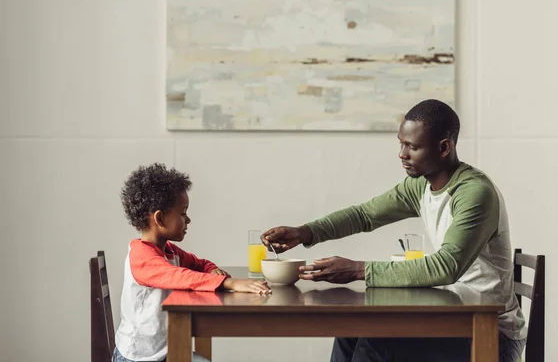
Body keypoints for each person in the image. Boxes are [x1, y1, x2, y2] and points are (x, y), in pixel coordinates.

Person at [261, 99, 527, 362]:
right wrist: (304, 232)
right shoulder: (421, 186)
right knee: (351, 330)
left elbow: (447, 266)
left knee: (376, 346)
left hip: (490, 334)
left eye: (412, 146)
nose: (402, 154)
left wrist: (357, 270)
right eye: (401, 143)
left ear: (444, 147)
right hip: (454, 318)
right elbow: (364, 215)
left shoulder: (474, 193)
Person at [113, 163, 271, 362]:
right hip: (138, 357)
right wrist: (230, 283)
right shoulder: (141, 256)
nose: (188, 220)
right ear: (160, 218)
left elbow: (199, 264)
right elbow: (178, 277)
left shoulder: (168, 250)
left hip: (166, 352)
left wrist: (213, 270)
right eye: (183, 213)